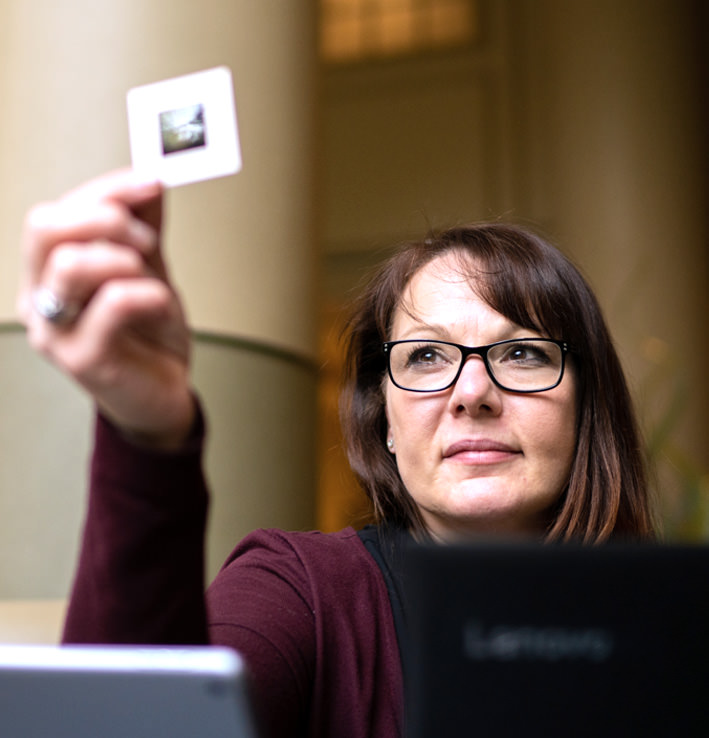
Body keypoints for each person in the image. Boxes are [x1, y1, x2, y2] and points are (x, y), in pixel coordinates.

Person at [18, 170, 656, 738]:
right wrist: (146, 434)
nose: (471, 393)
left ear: (588, 408)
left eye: (522, 353)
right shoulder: (302, 593)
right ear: (385, 423)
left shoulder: (670, 631)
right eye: (426, 356)